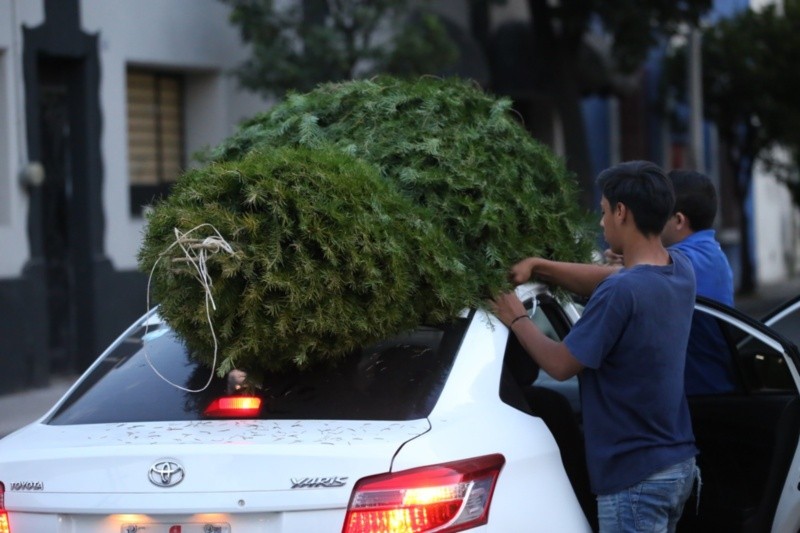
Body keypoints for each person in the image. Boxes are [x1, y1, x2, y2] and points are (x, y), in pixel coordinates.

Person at [491, 160, 699, 532]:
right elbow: (610, 276)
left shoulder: (622, 291)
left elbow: (560, 365)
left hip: (634, 479)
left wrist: (517, 318)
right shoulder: (680, 268)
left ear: (621, 212)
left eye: (603, 212)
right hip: (676, 466)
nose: (601, 222)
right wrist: (540, 266)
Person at [606, 169, 736, 395]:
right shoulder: (709, 253)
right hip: (708, 388)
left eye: (658, 215)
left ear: (678, 220)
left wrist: (544, 267)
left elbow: (624, 279)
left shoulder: (688, 261)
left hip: (701, 395)